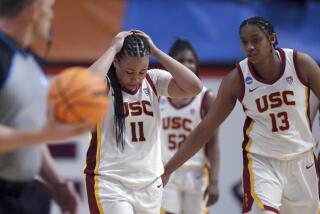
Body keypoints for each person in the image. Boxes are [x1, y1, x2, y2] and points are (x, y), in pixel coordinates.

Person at [162, 16, 320, 214]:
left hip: (302, 159)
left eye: (256, 40)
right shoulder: (236, 79)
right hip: (263, 161)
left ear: (272, 38)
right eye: (244, 42)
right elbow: (205, 129)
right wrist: (167, 170)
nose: (250, 47)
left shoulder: (300, 63)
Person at [84, 31, 203, 214]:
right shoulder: (105, 84)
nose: (136, 78)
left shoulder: (153, 80)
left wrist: (155, 51)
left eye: (142, 71)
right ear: (115, 62)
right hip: (111, 183)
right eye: (130, 72)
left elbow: (194, 87)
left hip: (149, 183)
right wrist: (113, 48)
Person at [0, 0, 93, 213]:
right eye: (49, 9)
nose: (51, 16)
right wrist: (43, 134)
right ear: (32, 12)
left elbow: (30, 132)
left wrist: (58, 183)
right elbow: (35, 134)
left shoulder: (34, 62)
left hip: (28, 196)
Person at [159, 39, 219, 214]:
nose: (186, 65)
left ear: (197, 66)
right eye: (180, 60)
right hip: (165, 172)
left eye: (190, 61)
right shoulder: (158, 95)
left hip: (196, 172)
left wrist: (214, 181)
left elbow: (213, 143)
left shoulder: (207, 98)